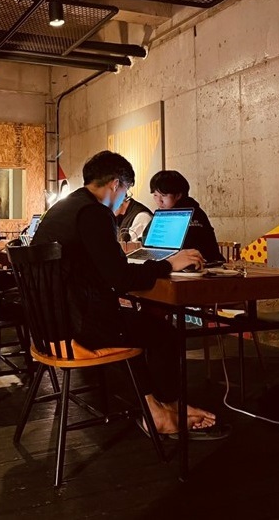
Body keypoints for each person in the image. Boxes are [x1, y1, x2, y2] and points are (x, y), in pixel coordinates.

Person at [31, 150, 226, 439]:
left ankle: (157, 407)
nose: (124, 198)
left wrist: (147, 266)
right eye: (126, 190)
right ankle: (167, 410)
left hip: (50, 328)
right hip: (79, 328)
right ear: (115, 184)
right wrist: (169, 263)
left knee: (131, 322)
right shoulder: (93, 212)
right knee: (162, 333)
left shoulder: (63, 209)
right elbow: (120, 278)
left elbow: (99, 272)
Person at [149, 170, 225, 263]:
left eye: (163, 196)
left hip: (202, 266)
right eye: (155, 195)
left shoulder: (193, 214)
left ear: (178, 195)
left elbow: (196, 250)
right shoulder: (163, 213)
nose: (159, 201)